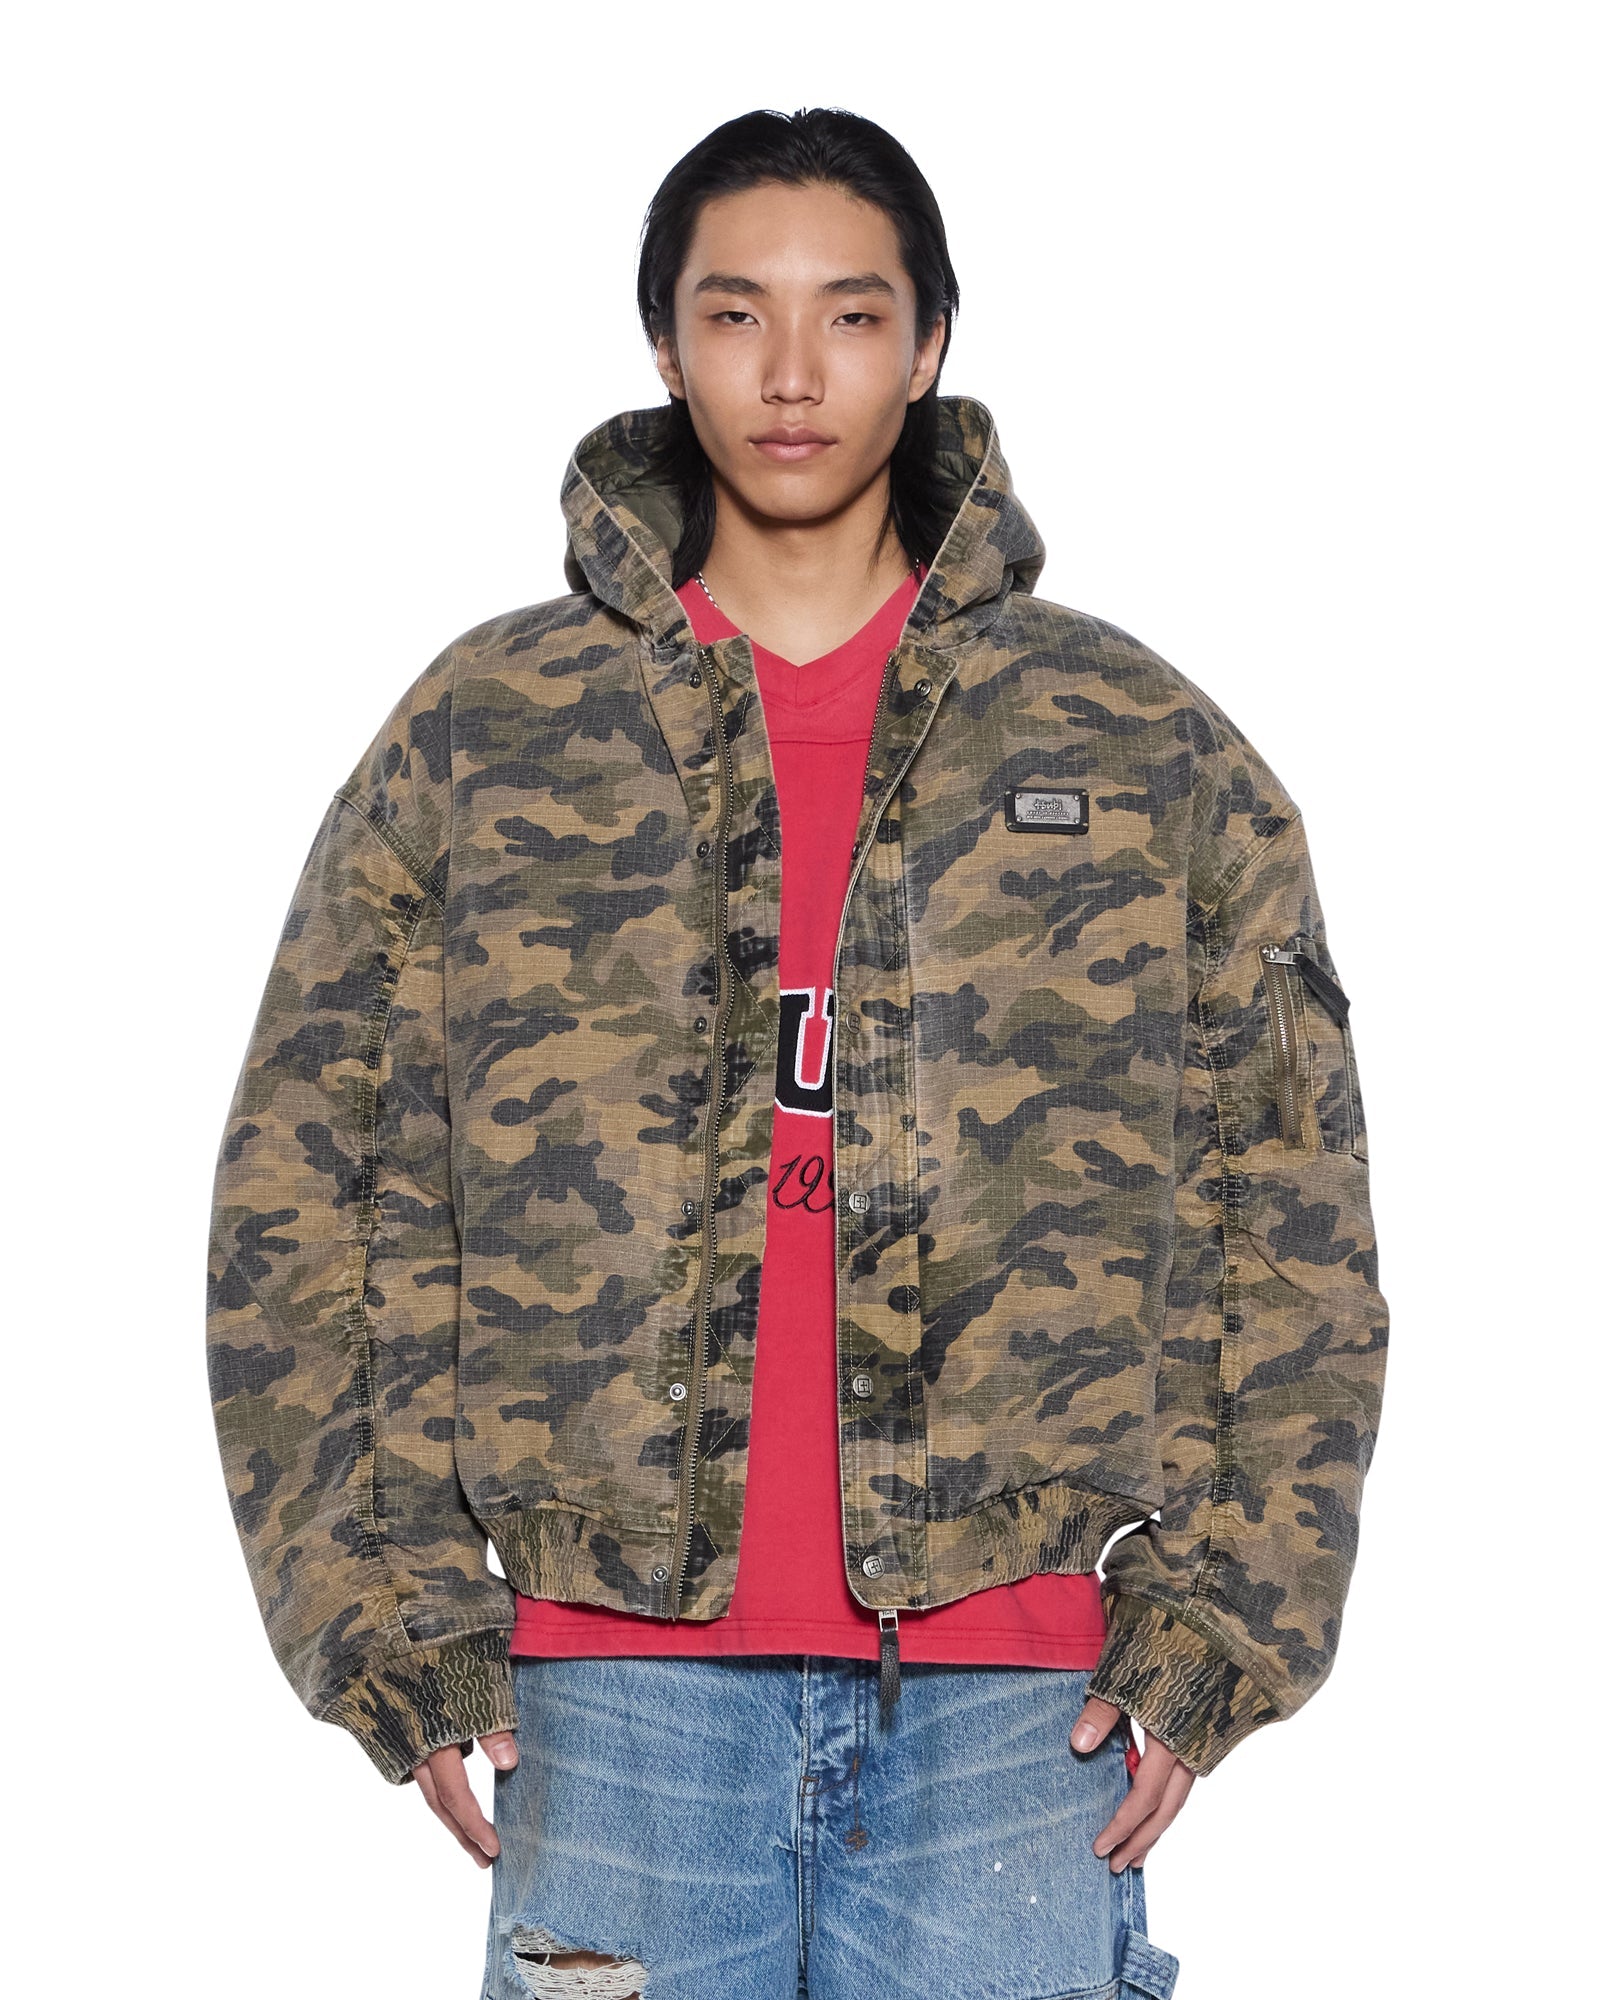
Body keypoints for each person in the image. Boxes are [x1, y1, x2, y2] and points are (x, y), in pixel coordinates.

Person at [206, 106, 1387, 2000]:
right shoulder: (489, 731)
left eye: (851, 315)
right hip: (611, 1694)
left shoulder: (1135, 739)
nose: (790, 371)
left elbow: (1293, 1198)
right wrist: (387, 1619)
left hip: (1017, 1694)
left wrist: (1223, 1626)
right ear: (664, 346)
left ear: (928, 347)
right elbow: (310, 1182)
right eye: (735, 312)